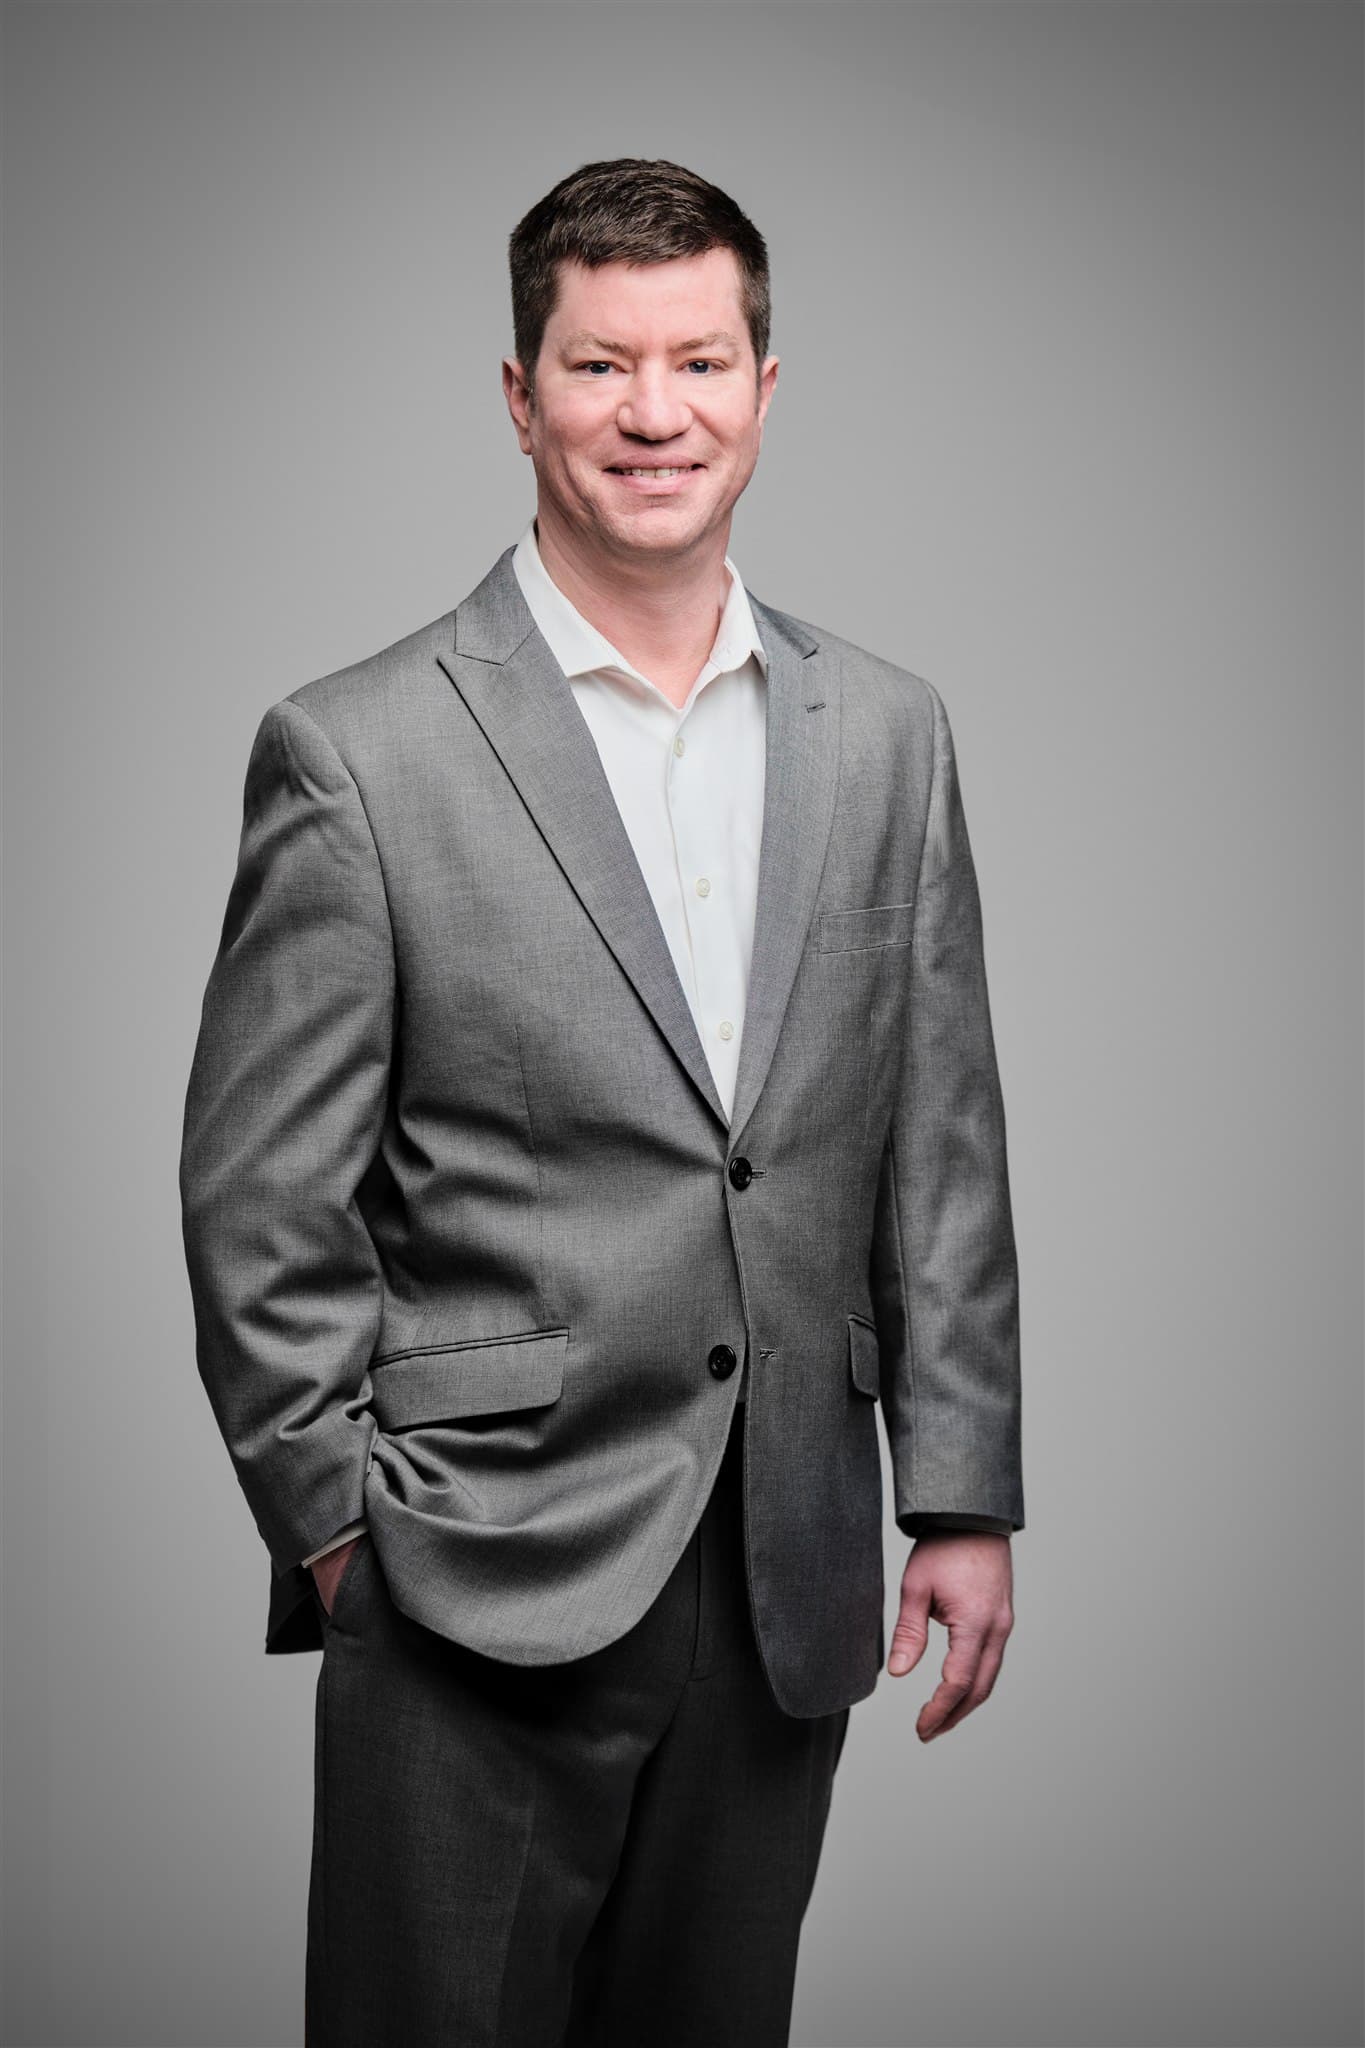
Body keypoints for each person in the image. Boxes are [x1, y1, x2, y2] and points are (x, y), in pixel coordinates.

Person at [179, 156, 1024, 2048]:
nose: (656, 412)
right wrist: (342, 1531)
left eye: (699, 362)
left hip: (787, 1560)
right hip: (470, 1567)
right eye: (600, 364)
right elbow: (258, 1201)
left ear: (763, 390)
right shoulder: (358, 751)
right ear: (519, 394)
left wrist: (959, 1498)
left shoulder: (888, 732)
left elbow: (940, 1145)